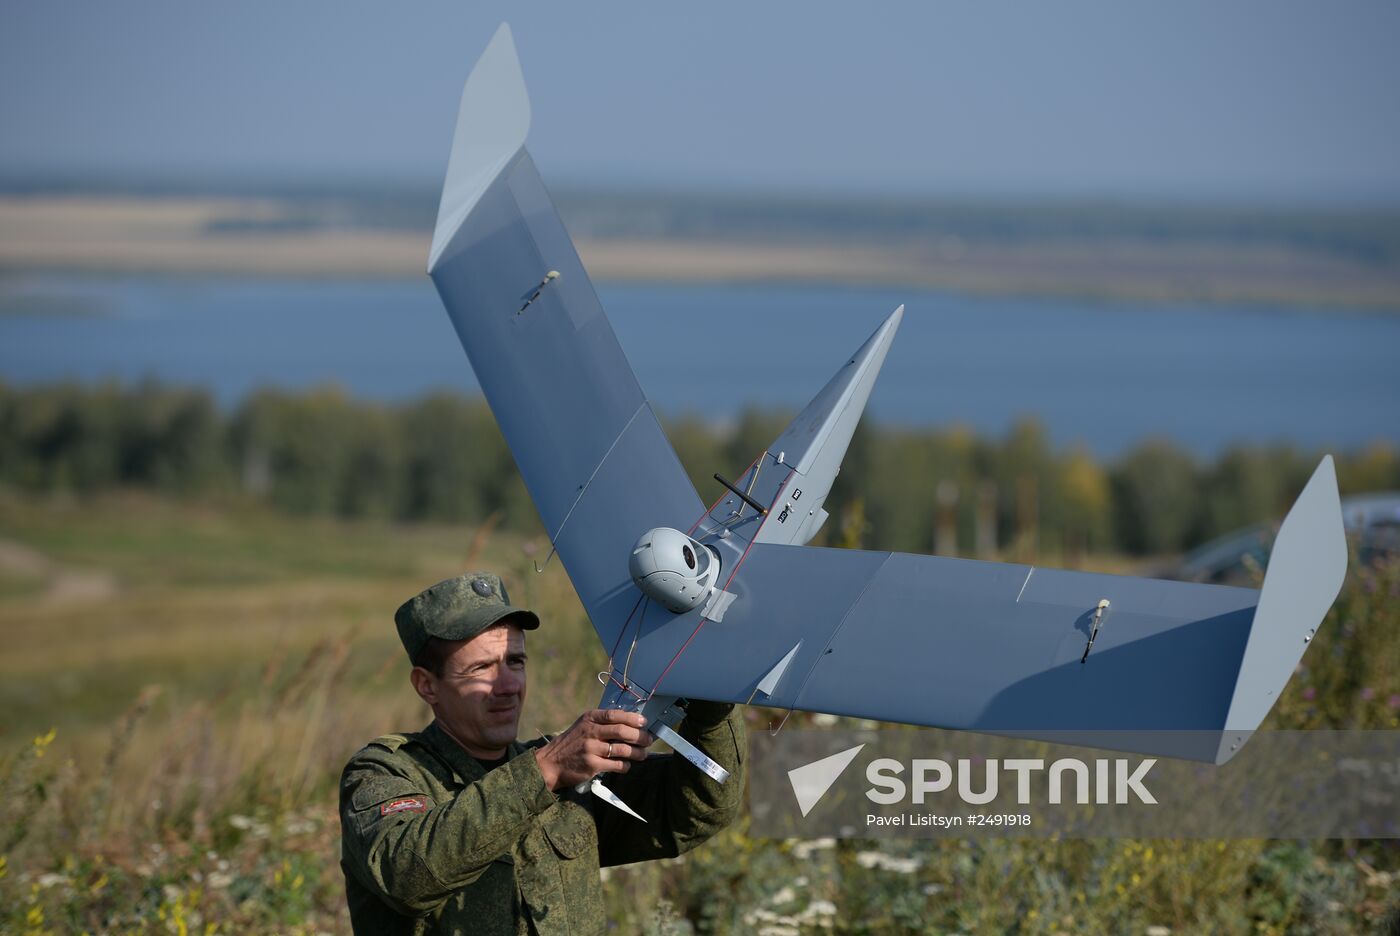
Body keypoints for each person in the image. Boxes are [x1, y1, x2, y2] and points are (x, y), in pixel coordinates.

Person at [338, 571, 745, 934]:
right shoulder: (386, 772)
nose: (508, 685)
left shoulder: (568, 773)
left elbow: (697, 810)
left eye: (515, 662)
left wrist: (709, 699)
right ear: (427, 686)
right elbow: (407, 875)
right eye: (481, 669)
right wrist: (544, 771)